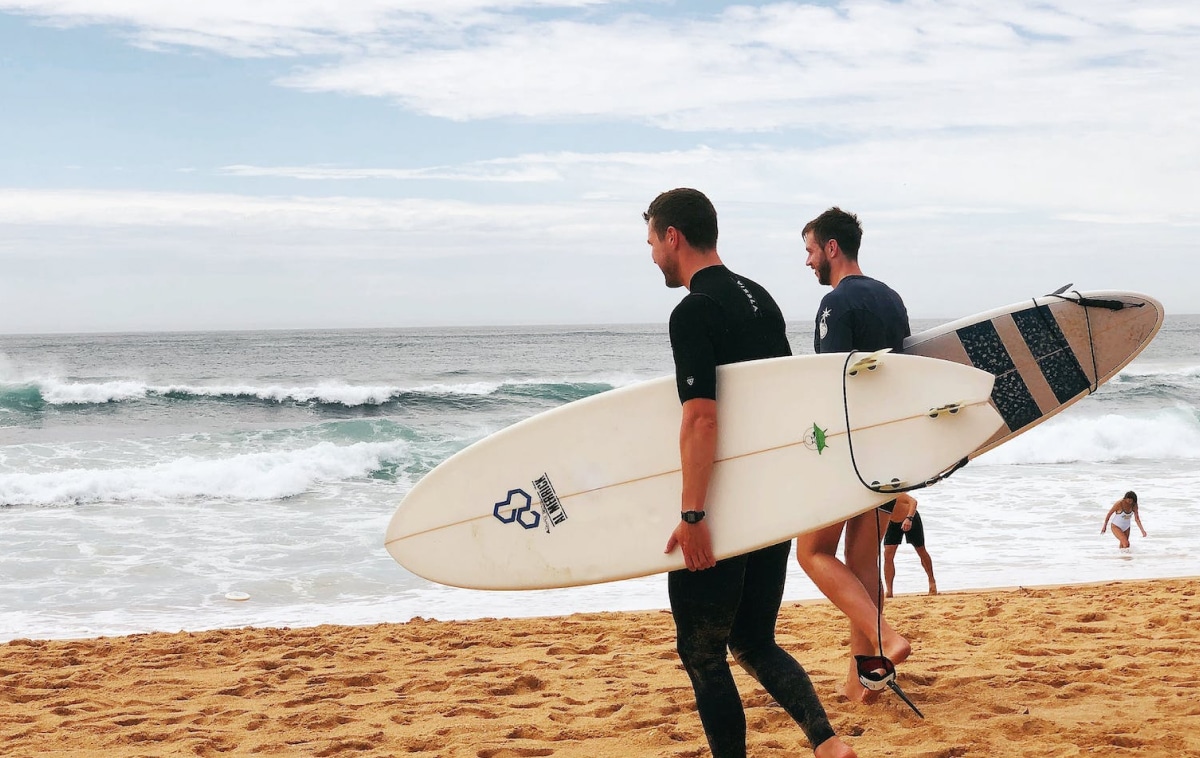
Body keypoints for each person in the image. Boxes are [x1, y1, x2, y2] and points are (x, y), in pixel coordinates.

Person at [646, 188, 855, 758]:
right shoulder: (760, 298)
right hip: (770, 505)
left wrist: (693, 515)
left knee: (702, 653)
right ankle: (828, 744)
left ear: (673, 237)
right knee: (753, 639)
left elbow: (701, 418)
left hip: (724, 511)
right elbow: (783, 404)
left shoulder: (693, 311)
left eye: (652, 242)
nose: (653, 255)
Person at [794, 206, 912, 704]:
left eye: (810, 251)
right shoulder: (891, 299)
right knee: (862, 568)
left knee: (812, 553)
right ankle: (863, 683)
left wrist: (812, 449)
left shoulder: (835, 303)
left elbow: (832, 384)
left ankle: (885, 637)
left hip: (849, 449)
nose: (808, 262)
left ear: (831, 248)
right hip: (888, 446)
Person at [882, 493, 938, 598]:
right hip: (892, 522)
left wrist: (909, 518)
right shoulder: (875, 498)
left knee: (920, 550)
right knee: (888, 555)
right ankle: (889, 590)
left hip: (910, 518)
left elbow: (913, 501)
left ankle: (932, 581)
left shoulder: (894, 493)